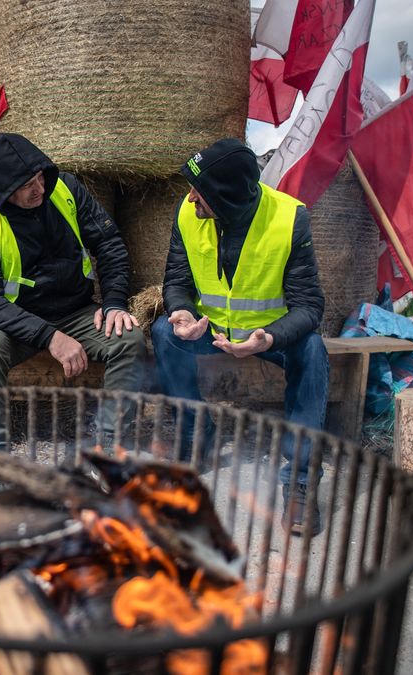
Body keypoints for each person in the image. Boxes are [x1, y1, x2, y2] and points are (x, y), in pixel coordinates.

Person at [151, 138, 328, 535]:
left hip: (268, 337)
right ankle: (198, 432)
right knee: (164, 332)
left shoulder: (289, 218)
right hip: (210, 329)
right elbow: (176, 279)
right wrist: (182, 312)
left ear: (226, 198)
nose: (191, 200)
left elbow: (309, 306)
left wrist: (269, 338)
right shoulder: (188, 212)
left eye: (201, 194)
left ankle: (300, 479)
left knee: (313, 350)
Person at [0, 133, 145, 448]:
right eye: (28, 184)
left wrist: (114, 303)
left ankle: (106, 444)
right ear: (6, 189)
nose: (40, 188)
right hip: (18, 320)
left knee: (130, 339)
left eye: (40, 178)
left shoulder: (66, 189)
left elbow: (110, 244)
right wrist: (51, 338)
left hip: (76, 311)